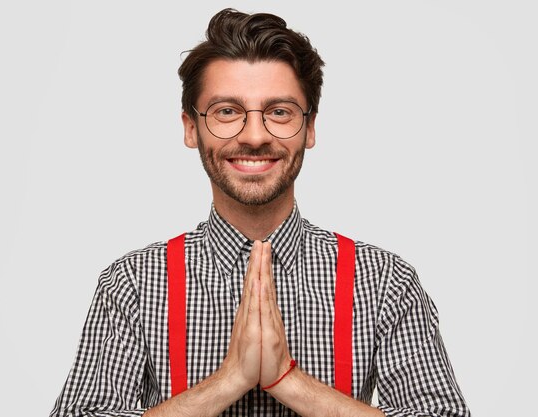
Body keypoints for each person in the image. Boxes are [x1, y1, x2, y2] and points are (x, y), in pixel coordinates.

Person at [49, 8, 470, 417]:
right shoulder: (134, 285)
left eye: (279, 112)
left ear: (310, 128)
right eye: (227, 111)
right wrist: (229, 380)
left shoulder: (383, 282)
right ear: (191, 127)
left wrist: (289, 381)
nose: (254, 136)